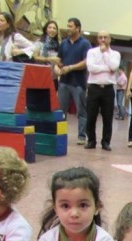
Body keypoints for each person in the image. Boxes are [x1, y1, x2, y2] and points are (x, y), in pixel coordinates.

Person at [54, 18, 90, 146]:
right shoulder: (64, 43)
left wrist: (70, 67)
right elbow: (59, 59)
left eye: (70, 26)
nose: (68, 28)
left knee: (81, 111)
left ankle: (82, 136)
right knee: (61, 111)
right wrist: (56, 67)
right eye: (67, 26)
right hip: (64, 82)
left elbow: (86, 62)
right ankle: (61, 134)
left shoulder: (85, 44)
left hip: (78, 83)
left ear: (78, 28)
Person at [84, 31, 120, 151]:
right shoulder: (91, 52)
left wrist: (105, 53)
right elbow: (91, 68)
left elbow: (114, 67)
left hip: (108, 89)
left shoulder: (115, 54)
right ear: (97, 39)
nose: (103, 39)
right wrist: (106, 68)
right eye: (100, 37)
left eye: (105, 37)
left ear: (110, 39)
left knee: (107, 117)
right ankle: (91, 141)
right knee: (91, 116)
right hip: (94, 87)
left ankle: (106, 142)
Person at [32, 20, 60, 91]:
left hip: (52, 77)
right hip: (39, 76)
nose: (52, 30)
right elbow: (35, 57)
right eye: (50, 27)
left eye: (54, 28)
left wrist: (57, 65)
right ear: (46, 30)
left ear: (56, 31)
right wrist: (48, 59)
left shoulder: (58, 45)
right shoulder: (39, 42)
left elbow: (59, 60)